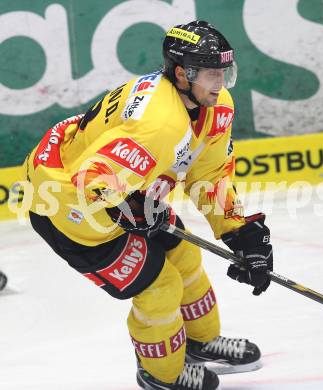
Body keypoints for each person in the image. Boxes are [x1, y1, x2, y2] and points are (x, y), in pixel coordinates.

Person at [23, 20, 273, 390]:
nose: (219, 84)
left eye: (223, 73)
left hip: (120, 188)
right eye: (210, 74)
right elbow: (92, 179)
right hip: (69, 209)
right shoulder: (159, 123)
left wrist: (241, 231)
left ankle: (201, 342)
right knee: (160, 285)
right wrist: (126, 204)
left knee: (185, 257)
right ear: (181, 74)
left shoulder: (212, 105)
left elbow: (210, 174)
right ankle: (161, 375)